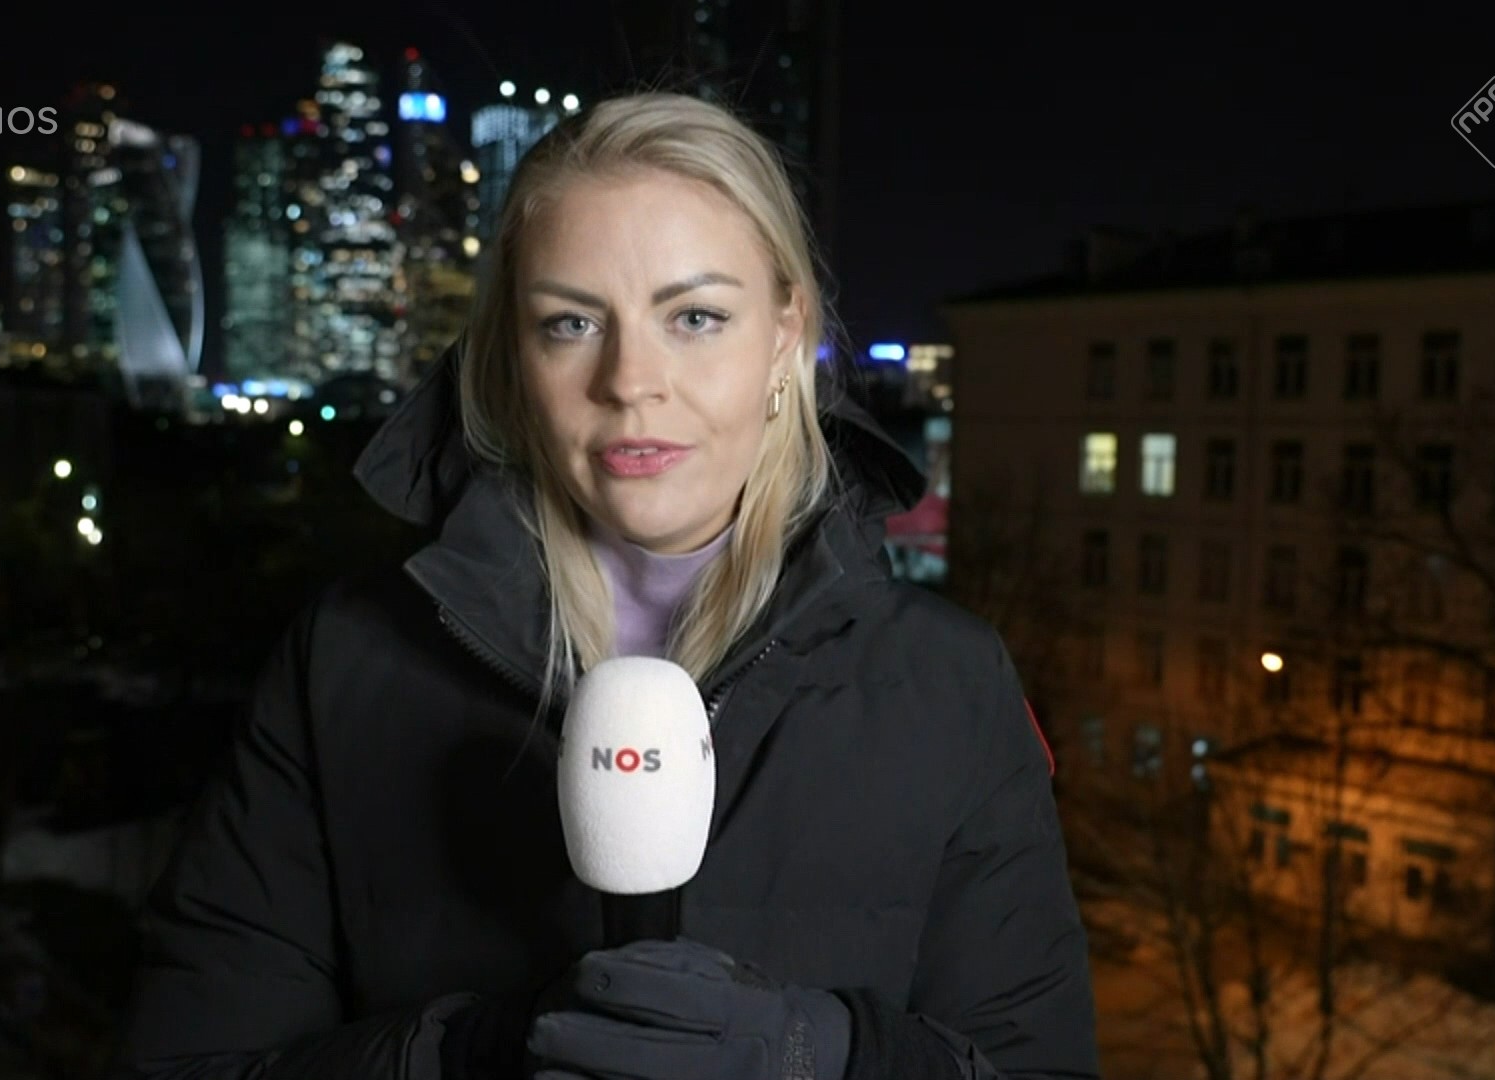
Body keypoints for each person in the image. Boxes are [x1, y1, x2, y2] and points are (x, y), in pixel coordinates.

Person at [109, 91, 1099, 1080]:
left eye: (696, 317)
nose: (630, 380)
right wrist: (466, 1054)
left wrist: (820, 1053)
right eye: (573, 322)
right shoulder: (343, 663)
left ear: (784, 339)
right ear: (512, 358)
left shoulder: (949, 684)